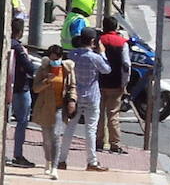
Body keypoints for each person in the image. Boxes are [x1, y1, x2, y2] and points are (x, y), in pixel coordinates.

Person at [59, 29, 110, 172]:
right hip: (92, 97)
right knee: (90, 130)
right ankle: (92, 162)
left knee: (69, 129)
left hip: (74, 97)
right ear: (93, 42)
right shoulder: (96, 58)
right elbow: (107, 70)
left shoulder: (72, 55)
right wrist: (103, 52)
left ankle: (61, 160)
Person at [32, 44, 75, 180]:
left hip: (59, 108)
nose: (54, 61)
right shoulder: (43, 69)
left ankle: (55, 168)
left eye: (56, 59)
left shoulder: (66, 70)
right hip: (45, 107)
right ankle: (48, 160)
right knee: (47, 139)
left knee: (56, 136)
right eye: (52, 59)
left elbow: (72, 86)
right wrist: (46, 81)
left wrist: (72, 100)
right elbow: (36, 88)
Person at [96, 17, 130, 154]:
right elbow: (126, 65)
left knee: (98, 113)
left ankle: (98, 141)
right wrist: (124, 83)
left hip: (99, 82)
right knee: (113, 114)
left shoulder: (98, 41)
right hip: (116, 83)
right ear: (116, 28)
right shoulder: (122, 43)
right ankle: (114, 144)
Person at [9, 15, 38, 167]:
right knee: (22, 121)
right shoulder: (18, 48)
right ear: (20, 31)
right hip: (20, 89)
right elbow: (29, 68)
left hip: (9, 87)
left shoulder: (7, 44)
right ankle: (18, 155)